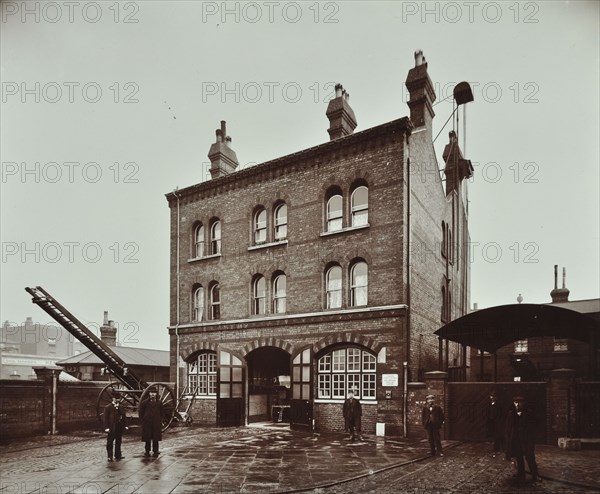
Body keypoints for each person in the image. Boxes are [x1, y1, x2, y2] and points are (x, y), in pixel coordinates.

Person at [505, 396, 541, 483]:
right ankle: (521, 473)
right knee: (518, 456)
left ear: (523, 404)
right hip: (516, 439)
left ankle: (535, 475)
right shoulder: (511, 414)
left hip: (527, 439)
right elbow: (508, 427)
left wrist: (531, 437)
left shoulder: (529, 414)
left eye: (519, 402)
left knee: (530, 457)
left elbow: (534, 427)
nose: (517, 404)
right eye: (515, 402)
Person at [103, 390, 128, 462]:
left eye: (118, 398)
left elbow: (124, 416)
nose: (117, 400)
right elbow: (105, 418)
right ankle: (109, 456)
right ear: (113, 398)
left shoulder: (121, 407)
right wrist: (106, 427)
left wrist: (125, 425)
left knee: (118, 441)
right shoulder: (108, 407)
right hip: (111, 427)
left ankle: (118, 455)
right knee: (110, 442)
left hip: (119, 426)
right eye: (116, 398)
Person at [139, 387, 163, 457]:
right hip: (147, 422)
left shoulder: (159, 403)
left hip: (156, 422)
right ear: (149, 394)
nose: (152, 394)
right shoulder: (144, 403)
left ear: (156, 394)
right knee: (147, 437)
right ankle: (147, 450)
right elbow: (141, 412)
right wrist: (142, 420)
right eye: (151, 393)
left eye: (154, 393)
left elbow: (162, 412)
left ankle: (156, 450)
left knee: (156, 437)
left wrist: (160, 419)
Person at [485, 391, 505, 457]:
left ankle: (502, 448)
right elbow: (488, 412)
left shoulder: (499, 404)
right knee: (494, 434)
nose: (492, 397)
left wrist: (500, 420)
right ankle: (496, 448)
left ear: (496, 397)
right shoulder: (489, 404)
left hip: (498, 421)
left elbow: (501, 413)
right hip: (492, 421)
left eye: (494, 396)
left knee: (499, 434)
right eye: (491, 396)